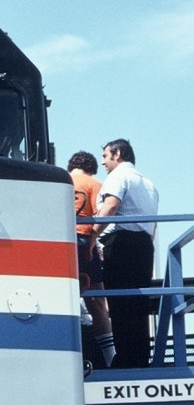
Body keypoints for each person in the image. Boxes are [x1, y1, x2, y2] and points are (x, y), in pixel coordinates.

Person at [92, 140, 159, 369]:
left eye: (105, 156)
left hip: (121, 244)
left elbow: (110, 206)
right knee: (138, 305)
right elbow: (153, 227)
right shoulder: (150, 185)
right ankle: (140, 359)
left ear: (117, 154)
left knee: (120, 304)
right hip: (144, 246)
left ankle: (125, 361)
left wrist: (92, 236)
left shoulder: (118, 176)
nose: (103, 162)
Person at [69, 151, 115, 367]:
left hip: (60, 243)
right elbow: (102, 215)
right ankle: (110, 358)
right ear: (92, 167)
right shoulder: (95, 184)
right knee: (97, 302)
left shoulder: (60, 181)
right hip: (85, 241)